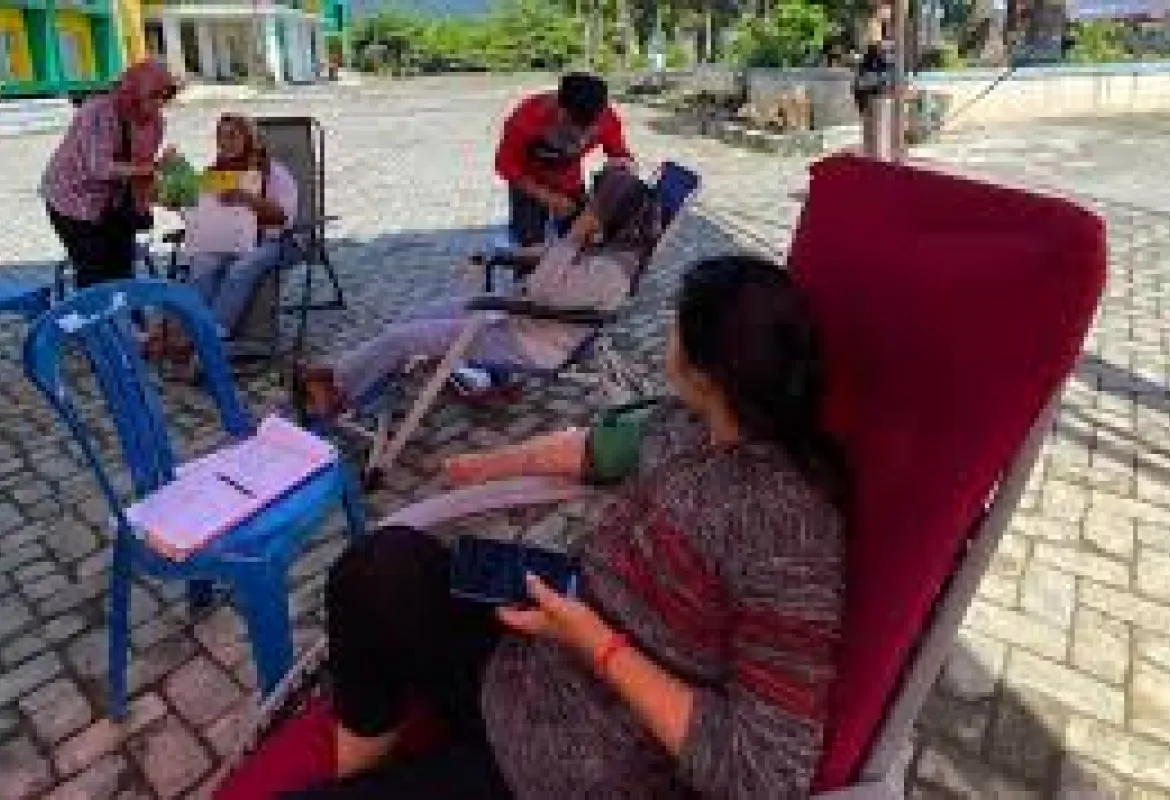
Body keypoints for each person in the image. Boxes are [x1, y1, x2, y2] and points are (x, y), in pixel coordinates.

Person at [285, 254, 849, 799]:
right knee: (377, 567)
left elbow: (764, 772)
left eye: (674, 325)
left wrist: (594, 640)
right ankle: (358, 776)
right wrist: (484, 466)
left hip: (593, 766)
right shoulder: (686, 424)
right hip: (536, 662)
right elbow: (590, 450)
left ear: (705, 371)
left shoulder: (789, 532)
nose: (665, 337)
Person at [298, 166, 660, 418]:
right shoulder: (610, 245)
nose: (586, 209)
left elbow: (543, 291)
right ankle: (340, 372)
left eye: (594, 205)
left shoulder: (610, 270)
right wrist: (510, 254)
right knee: (415, 316)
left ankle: (339, 392)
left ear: (610, 214)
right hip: (517, 319)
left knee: (404, 339)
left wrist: (574, 236)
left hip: (531, 341)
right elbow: (553, 258)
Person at [41, 59, 179, 290]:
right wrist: (152, 168)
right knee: (93, 271)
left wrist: (159, 192)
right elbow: (99, 167)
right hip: (72, 198)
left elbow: (141, 171)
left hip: (114, 204)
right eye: (153, 96)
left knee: (122, 271)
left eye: (164, 97)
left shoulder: (155, 123)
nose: (158, 104)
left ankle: (121, 313)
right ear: (132, 91)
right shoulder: (97, 111)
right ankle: (91, 313)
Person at [185, 113, 298, 337]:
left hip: (276, 241)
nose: (224, 142)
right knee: (201, 263)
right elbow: (205, 217)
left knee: (242, 266)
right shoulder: (214, 173)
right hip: (229, 241)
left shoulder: (272, 171)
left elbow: (284, 217)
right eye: (220, 136)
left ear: (248, 139)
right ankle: (193, 329)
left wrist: (247, 198)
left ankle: (214, 333)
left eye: (232, 136)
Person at [496, 73, 634, 248]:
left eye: (587, 130)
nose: (580, 139)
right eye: (572, 126)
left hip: (570, 184)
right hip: (528, 183)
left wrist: (617, 177)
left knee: (583, 240)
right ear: (559, 107)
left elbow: (620, 156)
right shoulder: (525, 119)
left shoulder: (605, 118)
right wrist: (546, 196)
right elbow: (505, 165)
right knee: (529, 244)